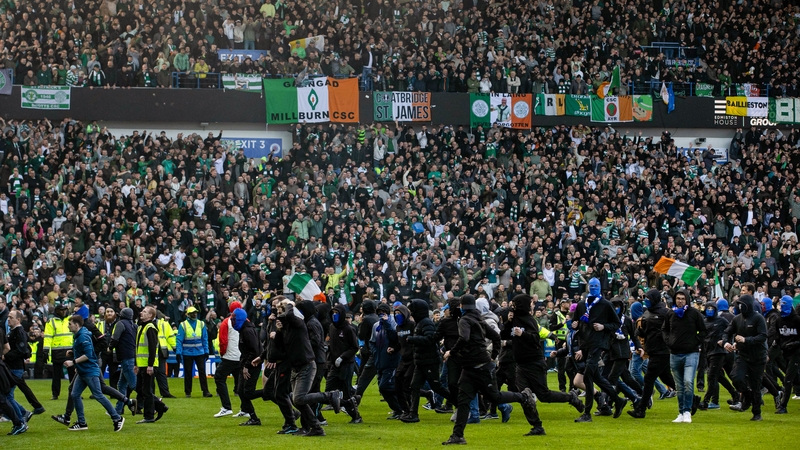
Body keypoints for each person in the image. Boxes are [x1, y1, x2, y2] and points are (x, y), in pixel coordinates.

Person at [441, 294, 538, 445]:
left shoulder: (465, 320)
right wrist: (493, 355)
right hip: (473, 367)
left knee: (495, 397)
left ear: (462, 306)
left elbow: (464, 338)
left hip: (479, 366)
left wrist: (451, 352)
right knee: (464, 400)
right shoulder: (479, 319)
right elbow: (496, 336)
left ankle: (523, 397)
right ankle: (457, 435)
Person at [502, 294, 584, 435]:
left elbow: (535, 339)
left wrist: (523, 334)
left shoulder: (529, 320)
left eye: (515, 304)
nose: (512, 307)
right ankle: (537, 426)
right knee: (525, 396)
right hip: (521, 365)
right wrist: (508, 323)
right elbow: (503, 335)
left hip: (534, 362)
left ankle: (571, 397)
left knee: (544, 395)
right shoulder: (513, 319)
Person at [572, 278, 626, 422]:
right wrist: (575, 325)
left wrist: (603, 327)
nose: (594, 288)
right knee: (597, 378)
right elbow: (575, 323)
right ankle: (617, 400)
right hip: (585, 344)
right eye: (591, 286)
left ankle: (587, 413)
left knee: (588, 376)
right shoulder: (581, 304)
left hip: (598, 343)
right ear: (588, 287)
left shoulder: (606, 304)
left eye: (596, 286)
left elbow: (616, 323)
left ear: (600, 287)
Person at [63, 314, 125, 432]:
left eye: (70, 324)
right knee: (75, 394)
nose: (68, 326)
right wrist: (74, 352)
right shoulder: (80, 335)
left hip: (89, 371)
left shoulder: (83, 337)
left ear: (77, 325)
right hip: (83, 371)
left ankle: (117, 418)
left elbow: (89, 355)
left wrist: (73, 362)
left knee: (98, 395)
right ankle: (82, 423)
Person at [629, 289, 677, 419]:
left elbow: (671, 330)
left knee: (649, 378)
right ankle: (692, 398)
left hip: (661, 350)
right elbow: (645, 330)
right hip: (653, 350)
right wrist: (640, 331)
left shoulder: (665, 312)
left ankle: (641, 409)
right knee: (666, 378)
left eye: (648, 298)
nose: (646, 300)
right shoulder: (648, 312)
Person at [402, 299, 451, 423]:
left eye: (412, 310)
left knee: (436, 386)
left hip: (429, 361)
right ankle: (413, 414)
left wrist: (413, 339)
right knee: (415, 386)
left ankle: (459, 404)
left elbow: (430, 339)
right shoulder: (421, 323)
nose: (411, 313)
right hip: (422, 360)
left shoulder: (425, 323)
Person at [662, 289, 706, 423]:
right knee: (679, 385)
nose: (680, 301)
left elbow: (703, 330)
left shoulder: (694, 313)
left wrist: (696, 341)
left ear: (687, 299)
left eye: (682, 298)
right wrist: (668, 341)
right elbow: (664, 329)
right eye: (678, 298)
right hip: (675, 354)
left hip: (691, 353)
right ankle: (681, 412)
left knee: (688, 382)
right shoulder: (670, 313)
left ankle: (687, 411)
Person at [723, 294, 768, 420]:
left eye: (742, 305)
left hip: (758, 357)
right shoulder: (737, 319)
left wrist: (745, 340)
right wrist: (726, 342)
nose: (740, 307)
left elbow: (763, 336)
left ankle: (757, 412)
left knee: (756, 384)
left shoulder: (758, 318)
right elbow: (727, 331)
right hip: (743, 355)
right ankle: (746, 395)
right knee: (735, 377)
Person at [4, 310, 45, 415]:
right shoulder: (14, 331)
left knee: (7, 394)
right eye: (8, 317)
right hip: (13, 367)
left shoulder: (19, 332)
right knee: (10, 392)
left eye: (11, 317)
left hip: (15, 367)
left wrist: (5, 356)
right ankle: (30, 409)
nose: (8, 319)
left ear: (18, 320)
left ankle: (20, 416)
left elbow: (21, 350)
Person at [134, 307, 169, 424]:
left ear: (150, 316)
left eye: (144, 312)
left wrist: (150, 365)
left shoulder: (150, 328)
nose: (141, 313)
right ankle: (160, 406)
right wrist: (136, 364)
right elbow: (138, 348)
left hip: (148, 365)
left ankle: (149, 416)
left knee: (146, 391)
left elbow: (153, 348)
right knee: (140, 389)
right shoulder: (141, 327)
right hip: (141, 364)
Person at [699, 301, 736, 410]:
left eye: (712, 308)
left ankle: (706, 401)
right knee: (718, 376)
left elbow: (729, 331)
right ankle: (735, 394)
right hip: (709, 352)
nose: (710, 310)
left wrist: (726, 342)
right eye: (708, 308)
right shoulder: (704, 322)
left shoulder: (721, 321)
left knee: (711, 376)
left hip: (719, 352)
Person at [231, 307, 263, 426]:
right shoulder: (245, 329)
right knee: (241, 391)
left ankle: (269, 393)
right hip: (247, 363)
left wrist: (246, 366)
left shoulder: (247, 331)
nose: (232, 321)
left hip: (252, 364)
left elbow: (254, 351)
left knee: (247, 392)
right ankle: (253, 417)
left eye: (234, 318)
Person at [214, 301, 244, 418]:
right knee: (240, 382)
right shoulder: (246, 321)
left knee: (219, 377)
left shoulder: (227, 322)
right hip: (241, 356)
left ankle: (226, 407)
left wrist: (222, 353)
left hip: (229, 356)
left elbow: (223, 340)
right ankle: (245, 408)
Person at [177, 306, 212, 398]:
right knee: (188, 374)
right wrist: (178, 352)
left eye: (195, 312)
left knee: (202, 373)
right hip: (187, 353)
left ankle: (205, 391)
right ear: (188, 315)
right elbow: (179, 340)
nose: (195, 314)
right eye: (192, 313)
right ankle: (188, 392)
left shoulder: (201, 324)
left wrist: (206, 351)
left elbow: (205, 339)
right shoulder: (183, 325)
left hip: (199, 352)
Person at [774, 296, 800, 414]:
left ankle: (783, 406)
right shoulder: (779, 320)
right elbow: (777, 336)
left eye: (784, 303)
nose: (782, 305)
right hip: (785, 352)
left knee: (788, 379)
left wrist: (793, 344)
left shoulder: (797, 320)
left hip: (796, 352)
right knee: (794, 378)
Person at [43, 303, 74, 400]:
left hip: (69, 350)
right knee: (56, 375)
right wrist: (46, 350)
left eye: (65, 309)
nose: (63, 311)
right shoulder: (51, 321)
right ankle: (55, 394)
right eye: (61, 310)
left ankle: (74, 393)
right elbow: (48, 337)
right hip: (57, 351)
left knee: (72, 374)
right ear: (57, 311)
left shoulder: (71, 319)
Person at [110, 307, 138, 416]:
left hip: (126, 357)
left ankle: (155, 403)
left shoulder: (120, 324)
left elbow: (115, 338)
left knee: (134, 385)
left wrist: (110, 348)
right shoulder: (134, 325)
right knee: (121, 385)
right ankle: (117, 410)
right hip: (132, 356)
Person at [154, 312, 177, 398]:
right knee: (153, 374)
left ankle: (165, 392)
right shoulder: (164, 324)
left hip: (160, 351)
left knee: (161, 373)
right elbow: (170, 336)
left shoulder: (164, 324)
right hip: (154, 351)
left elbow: (170, 336)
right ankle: (152, 393)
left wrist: (175, 348)